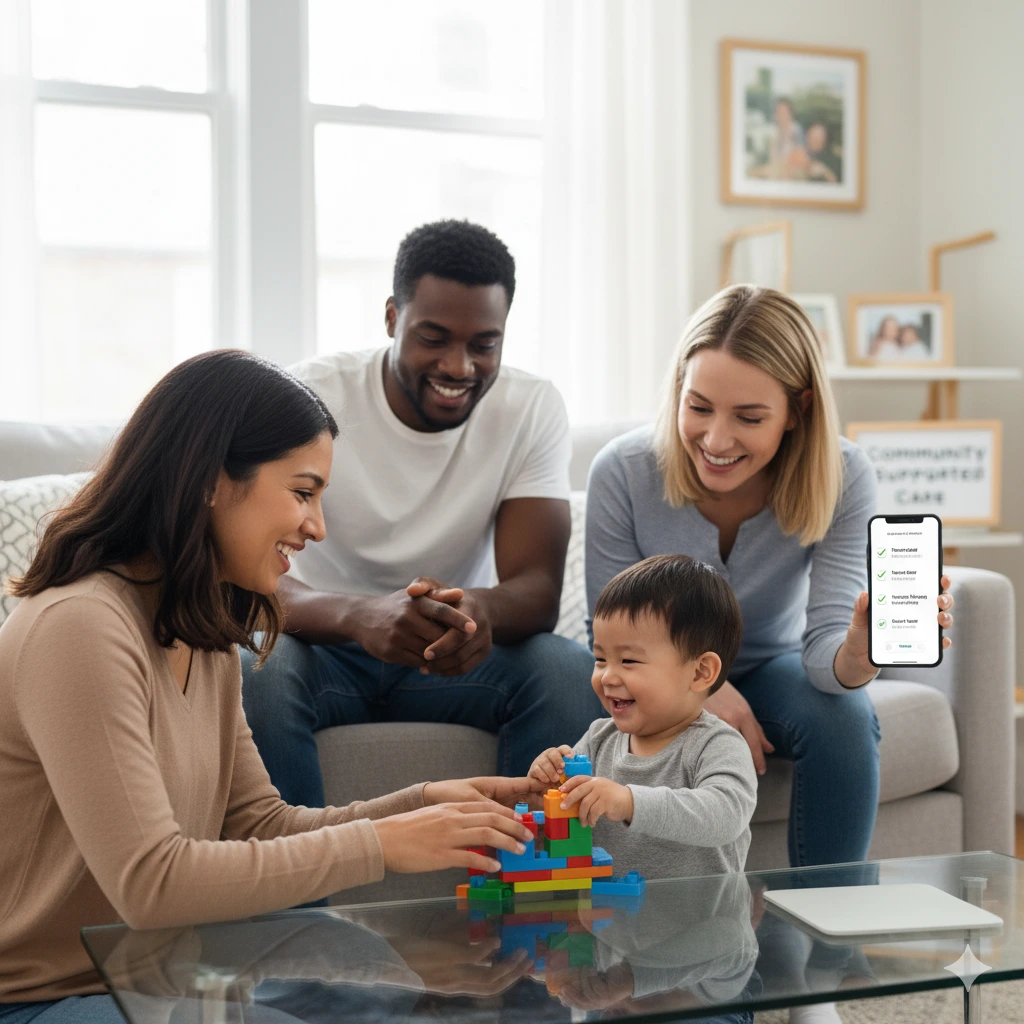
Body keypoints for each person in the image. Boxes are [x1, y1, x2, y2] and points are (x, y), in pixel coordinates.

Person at [0, 350, 540, 1022]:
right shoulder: (80, 625)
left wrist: (422, 806)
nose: (317, 527)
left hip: (157, 989)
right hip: (45, 999)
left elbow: (260, 823)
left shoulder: (202, 628)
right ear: (209, 480)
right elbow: (151, 882)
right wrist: (384, 845)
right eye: (303, 491)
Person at [583, 285, 956, 1024]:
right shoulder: (623, 471)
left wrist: (860, 650)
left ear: (799, 411)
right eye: (699, 407)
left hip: (776, 661)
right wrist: (705, 695)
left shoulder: (843, 476)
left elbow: (825, 661)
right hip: (653, 666)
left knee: (845, 714)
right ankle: (629, 948)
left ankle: (816, 976)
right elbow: (612, 631)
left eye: (749, 417)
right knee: (594, 682)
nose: (716, 439)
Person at [240, 219, 601, 808]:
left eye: (484, 344)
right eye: (433, 337)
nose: (460, 366)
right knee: (257, 665)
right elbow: (243, 572)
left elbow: (536, 587)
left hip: (454, 651)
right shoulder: (310, 397)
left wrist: (477, 610)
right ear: (391, 319)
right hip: (321, 641)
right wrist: (361, 616)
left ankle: (536, 894)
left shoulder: (530, 407)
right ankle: (296, 900)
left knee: (563, 671)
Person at [529, 554, 757, 880]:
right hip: (609, 926)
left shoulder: (717, 744)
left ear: (700, 672)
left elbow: (725, 816)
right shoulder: (597, 740)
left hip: (704, 927)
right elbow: (563, 818)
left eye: (629, 661)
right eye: (600, 658)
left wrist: (629, 802)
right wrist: (548, 782)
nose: (607, 676)